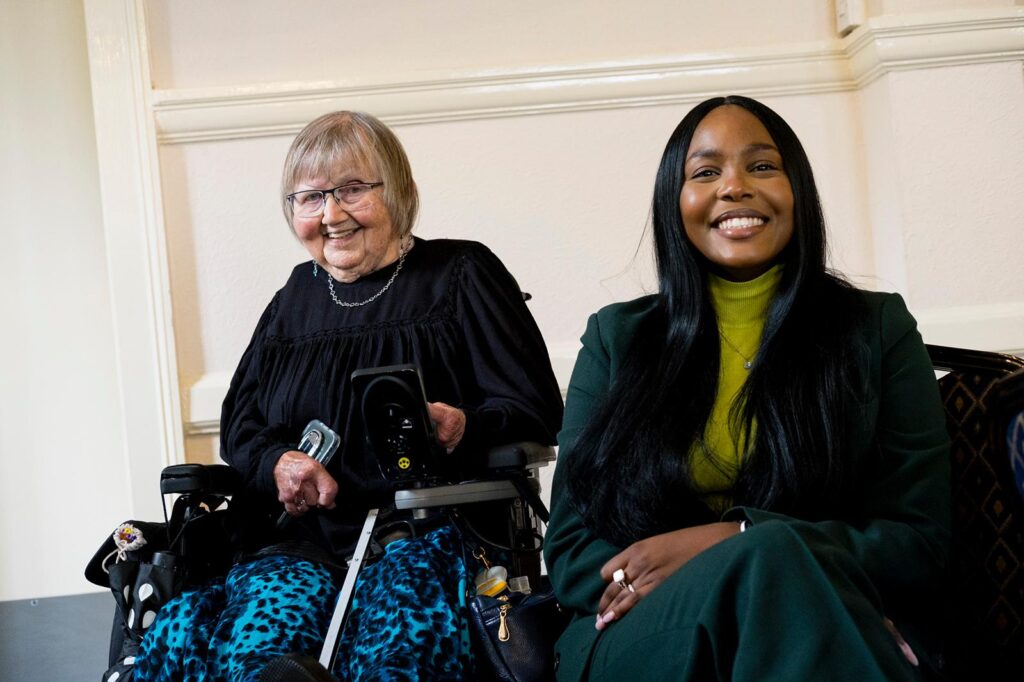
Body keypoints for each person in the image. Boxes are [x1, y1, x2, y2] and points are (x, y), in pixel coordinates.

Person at [133, 111, 563, 680]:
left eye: (353, 190)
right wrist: (278, 463)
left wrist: (464, 426)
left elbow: (536, 407)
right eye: (309, 198)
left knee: (399, 647)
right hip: (302, 539)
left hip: (427, 531)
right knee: (257, 645)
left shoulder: (461, 273)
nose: (331, 215)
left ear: (400, 192)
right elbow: (242, 426)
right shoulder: (294, 298)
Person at [544, 95, 950, 681]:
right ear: (673, 201)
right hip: (646, 629)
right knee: (778, 568)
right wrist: (736, 569)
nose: (734, 187)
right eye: (706, 172)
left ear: (797, 192)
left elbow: (918, 542)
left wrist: (734, 538)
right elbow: (571, 549)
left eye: (762, 166)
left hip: (826, 609)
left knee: (777, 561)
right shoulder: (617, 339)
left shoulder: (876, 329)